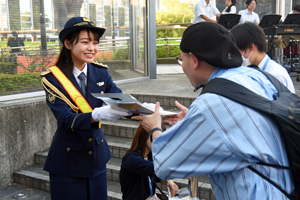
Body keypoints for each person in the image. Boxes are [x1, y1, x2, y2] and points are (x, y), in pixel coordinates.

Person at [132, 22, 294, 199]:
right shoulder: (256, 76)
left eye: (181, 59)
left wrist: (154, 128)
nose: (182, 66)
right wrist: (194, 119)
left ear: (193, 60)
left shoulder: (211, 104)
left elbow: (164, 164)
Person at [41, 17, 130, 200]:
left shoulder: (101, 72)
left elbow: (121, 101)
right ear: (67, 43)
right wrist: (98, 114)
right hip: (68, 162)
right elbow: (66, 120)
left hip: (96, 159)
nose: (92, 48)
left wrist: (151, 112)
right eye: (85, 42)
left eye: (95, 43)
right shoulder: (53, 79)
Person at [230, 22, 295, 93]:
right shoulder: (254, 70)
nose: (237, 57)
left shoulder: (275, 76)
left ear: (251, 47)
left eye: (238, 52)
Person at [119, 124, 178, 200]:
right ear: (144, 135)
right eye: (155, 136)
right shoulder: (131, 159)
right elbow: (153, 168)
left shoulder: (149, 157)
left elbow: (157, 176)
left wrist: (169, 182)